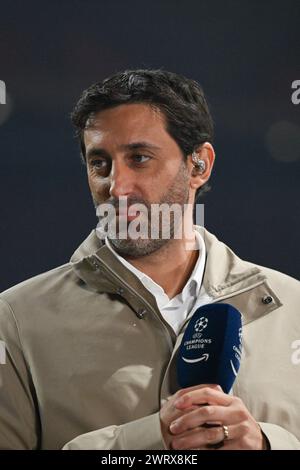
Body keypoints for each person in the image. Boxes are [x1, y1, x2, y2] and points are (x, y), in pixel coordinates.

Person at [0, 69, 299, 451]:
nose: (116, 187)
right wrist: (152, 439)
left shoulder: (293, 309)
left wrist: (267, 443)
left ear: (199, 165)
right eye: (100, 164)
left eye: (139, 158)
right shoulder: (16, 320)